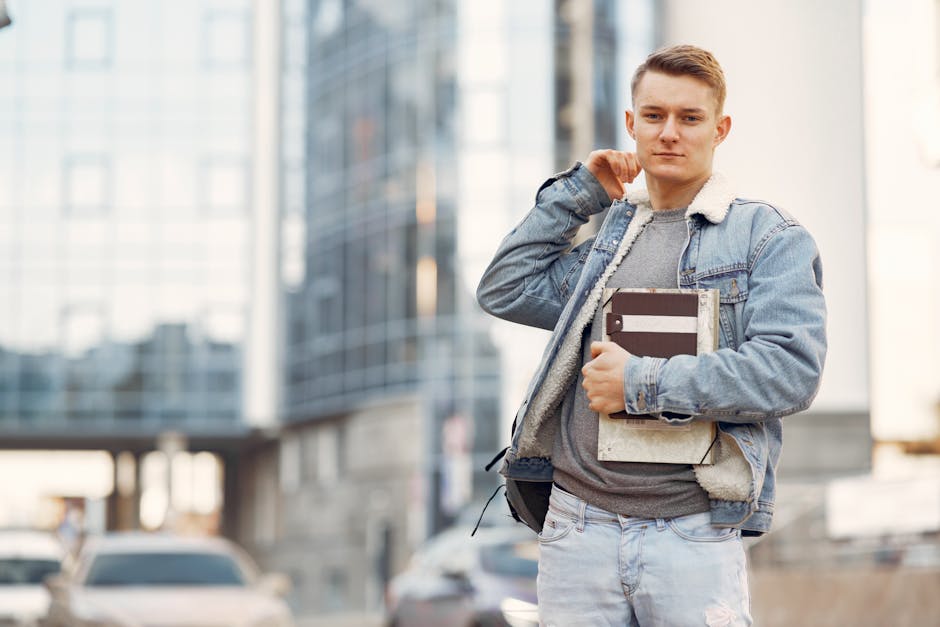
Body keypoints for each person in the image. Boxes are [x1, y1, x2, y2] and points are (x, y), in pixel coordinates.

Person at [476, 44, 826, 626]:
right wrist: (582, 191)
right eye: (655, 116)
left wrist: (641, 382)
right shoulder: (609, 244)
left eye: (690, 118)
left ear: (721, 128)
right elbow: (504, 288)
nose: (670, 133)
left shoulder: (769, 238)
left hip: (692, 533)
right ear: (631, 124)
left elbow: (791, 369)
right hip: (577, 529)